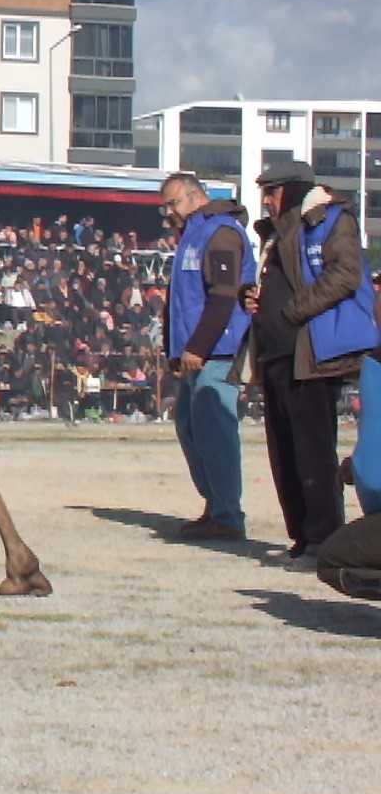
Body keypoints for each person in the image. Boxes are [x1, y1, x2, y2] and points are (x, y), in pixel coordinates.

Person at [240, 160, 378, 570]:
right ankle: (302, 538)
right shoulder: (275, 235)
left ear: (295, 188)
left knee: (314, 453)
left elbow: (346, 274)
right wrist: (253, 298)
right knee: (284, 455)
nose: (265, 199)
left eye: (272, 189)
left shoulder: (332, 220)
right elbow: (277, 286)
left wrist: (292, 310)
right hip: (278, 356)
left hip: (313, 357)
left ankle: (324, 542)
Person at [158, 172, 255, 541]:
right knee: (188, 425)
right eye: (164, 207)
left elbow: (223, 297)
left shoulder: (222, 232)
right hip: (195, 353)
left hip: (218, 351)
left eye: (173, 203)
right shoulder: (192, 236)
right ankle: (215, 505)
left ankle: (228, 514)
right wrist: (176, 351)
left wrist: (198, 347)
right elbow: (181, 302)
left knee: (215, 430)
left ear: (197, 197)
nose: (168, 213)